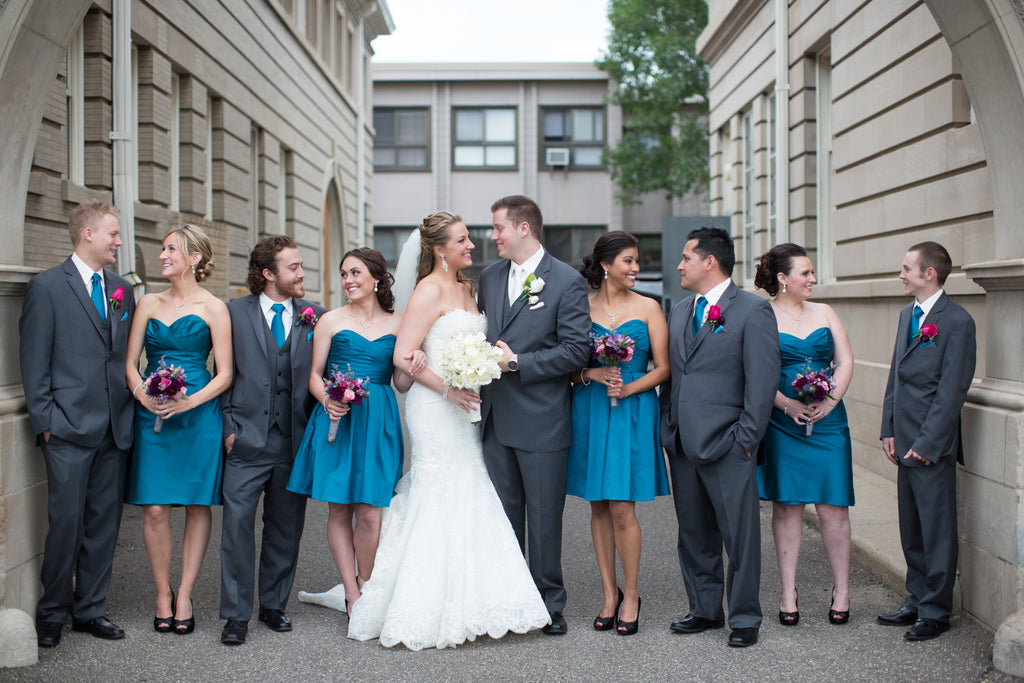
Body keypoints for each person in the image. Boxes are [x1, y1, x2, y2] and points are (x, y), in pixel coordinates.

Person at [348, 211, 550, 650]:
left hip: (468, 406)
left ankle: (479, 597)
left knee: (472, 486)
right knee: (439, 486)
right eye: (462, 240)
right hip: (437, 408)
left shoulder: (467, 288)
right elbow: (403, 355)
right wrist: (448, 389)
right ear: (439, 249)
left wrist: (481, 368)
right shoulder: (427, 290)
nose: (472, 245)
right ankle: (423, 600)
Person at [19, 200, 136, 648]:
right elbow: (34, 360)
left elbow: (123, 356)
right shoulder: (47, 286)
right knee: (65, 523)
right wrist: (45, 421)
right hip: (66, 429)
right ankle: (51, 612)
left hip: (114, 428)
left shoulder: (122, 289)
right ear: (88, 233)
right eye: (113, 233)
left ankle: (90, 610)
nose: (119, 242)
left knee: (104, 525)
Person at [477, 195, 592, 635]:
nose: (493, 237)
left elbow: (577, 349)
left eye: (499, 228)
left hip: (543, 418)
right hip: (493, 419)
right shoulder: (488, 277)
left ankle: (549, 603)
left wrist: (519, 363)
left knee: (544, 517)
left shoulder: (564, 280)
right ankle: (509, 600)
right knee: (503, 517)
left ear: (524, 228)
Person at [659, 227, 779, 648]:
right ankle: (705, 609)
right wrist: (668, 426)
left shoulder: (751, 310)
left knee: (739, 536)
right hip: (683, 444)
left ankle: (744, 617)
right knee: (693, 534)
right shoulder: (678, 310)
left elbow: (762, 384)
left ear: (710, 261)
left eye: (686, 257)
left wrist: (745, 438)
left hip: (729, 443)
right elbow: (675, 375)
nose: (679, 265)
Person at [287, 248, 410, 617]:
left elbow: (401, 383)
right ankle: (353, 594)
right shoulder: (329, 321)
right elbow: (313, 375)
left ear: (377, 278)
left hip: (379, 421)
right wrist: (327, 399)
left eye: (355, 273)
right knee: (339, 510)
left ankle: (369, 584)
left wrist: (415, 362)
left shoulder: (399, 323)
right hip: (337, 419)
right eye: (343, 274)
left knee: (371, 512)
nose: (348, 280)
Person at [125, 225, 232, 636]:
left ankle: (185, 593)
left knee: (195, 504)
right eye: (163, 248)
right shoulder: (148, 302)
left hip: (197, 414)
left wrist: (191, 400)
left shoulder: (214, 308)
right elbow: (130, 362)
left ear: (195, 258)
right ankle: (161, 594)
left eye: (172, 249)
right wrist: (141, 393)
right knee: (154, 508)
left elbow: (225, 374)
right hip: (151, 414)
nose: (163, 255)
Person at [219, 235, 325, 646]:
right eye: (294, 267)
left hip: (292, 441)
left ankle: (273, 605)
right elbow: (222, 374)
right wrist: (229, 428)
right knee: (236, 529)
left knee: (285, 527)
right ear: (268, 274)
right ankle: (235, 615)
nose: (302, 274)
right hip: (245, 441)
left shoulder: (315, 315)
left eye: (300, 266)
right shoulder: (232, 313)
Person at [567, 231, 670, 636]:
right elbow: (569, 368)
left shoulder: (649, 308)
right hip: (591, 407)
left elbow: (663, 367)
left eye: (637, 261)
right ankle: (608, 593)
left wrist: (629, 387)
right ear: (607, 264)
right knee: (597, 505)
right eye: (628, 261)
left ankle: (632, 594)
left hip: (633, 407)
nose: (636, 268)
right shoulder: (581, 308)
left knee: (624, 506)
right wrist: (589, 373)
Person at [877, 241, 976, 642]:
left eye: (906, 268)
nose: (901, 274)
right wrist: (888, 428)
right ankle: (916, 599)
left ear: (929, 273)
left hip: (931, 447)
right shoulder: (907, 315)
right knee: (911, 528)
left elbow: (953, 391)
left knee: (936, 529)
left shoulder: (958, 321)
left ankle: (936, 611)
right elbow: (895, 377)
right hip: (903, 441)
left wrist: (928, 443)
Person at [753, 243, 855, 627]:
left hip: (829, 422)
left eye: (813, 273)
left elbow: (844, 361)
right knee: (788, 505)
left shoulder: (825, 312)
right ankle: (788, 591)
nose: (813, 279)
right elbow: (756, 370)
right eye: (806, 273)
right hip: (783, 421)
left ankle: (842, 590)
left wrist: (829, 401)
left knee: (833, 506)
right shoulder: (762, 315)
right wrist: (786, 405)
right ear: (783, 278)